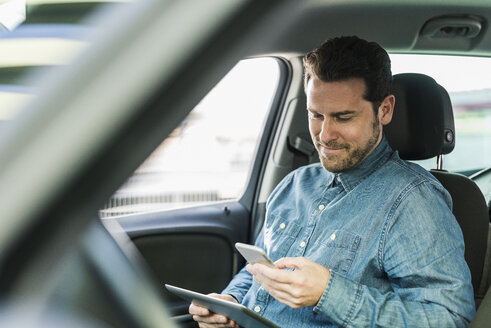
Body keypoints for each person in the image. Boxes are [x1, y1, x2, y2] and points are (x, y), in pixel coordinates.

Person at [189, 36, 475, 327]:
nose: (325, 135)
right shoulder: (294, 185)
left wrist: (329, 292)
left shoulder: (412, 201)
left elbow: (449, 318)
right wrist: (232, 303)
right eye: (316, 115)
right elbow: (259, 271)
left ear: (385, 110)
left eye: (343, 117)